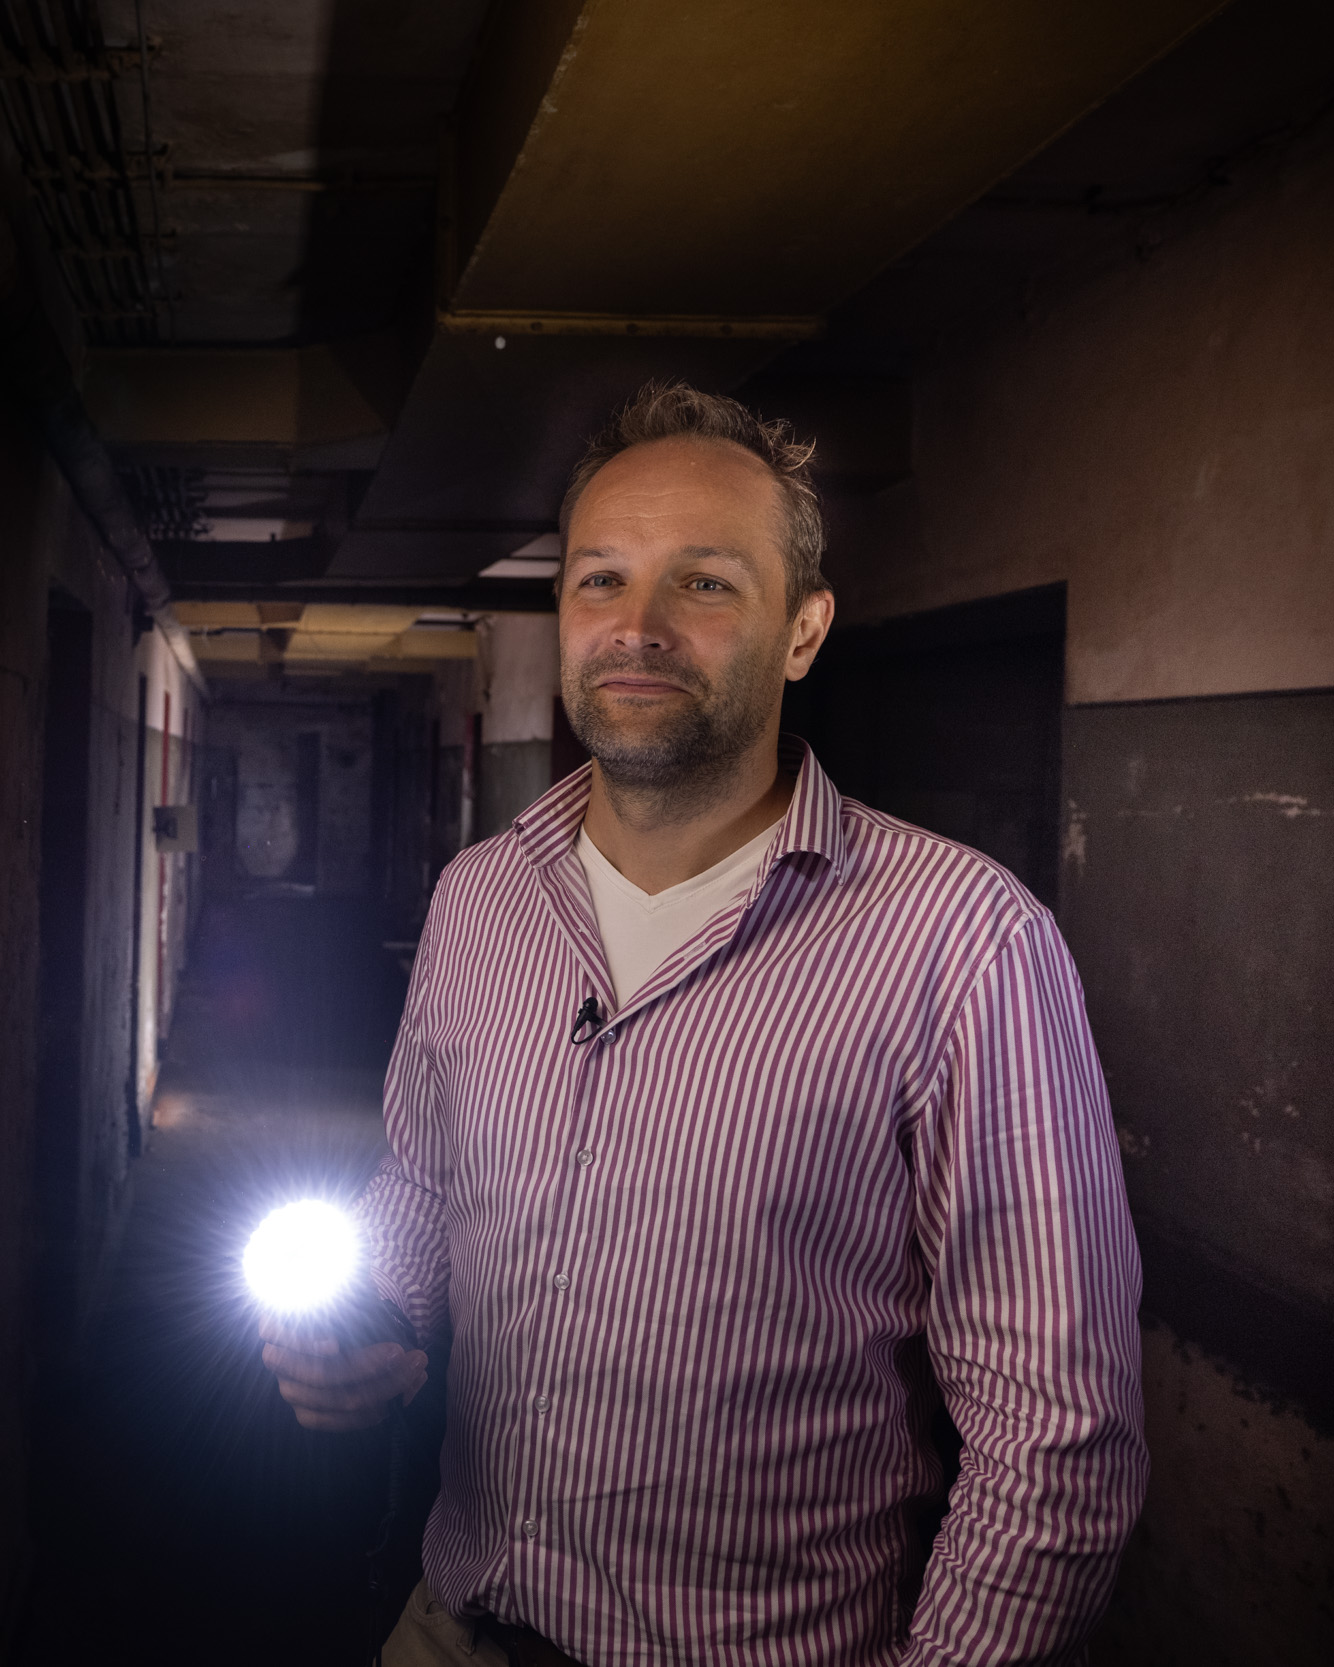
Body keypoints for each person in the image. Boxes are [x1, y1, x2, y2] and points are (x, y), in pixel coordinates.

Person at [259, 383, 1145, 1666]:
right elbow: (423, 1173)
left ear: (803, 628)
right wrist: (382, 1325)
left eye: (706, 584)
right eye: (599, 579)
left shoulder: (963, 943)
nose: (637, 628)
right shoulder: (478, 898)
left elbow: (1055, 1439)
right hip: (453, 1619)